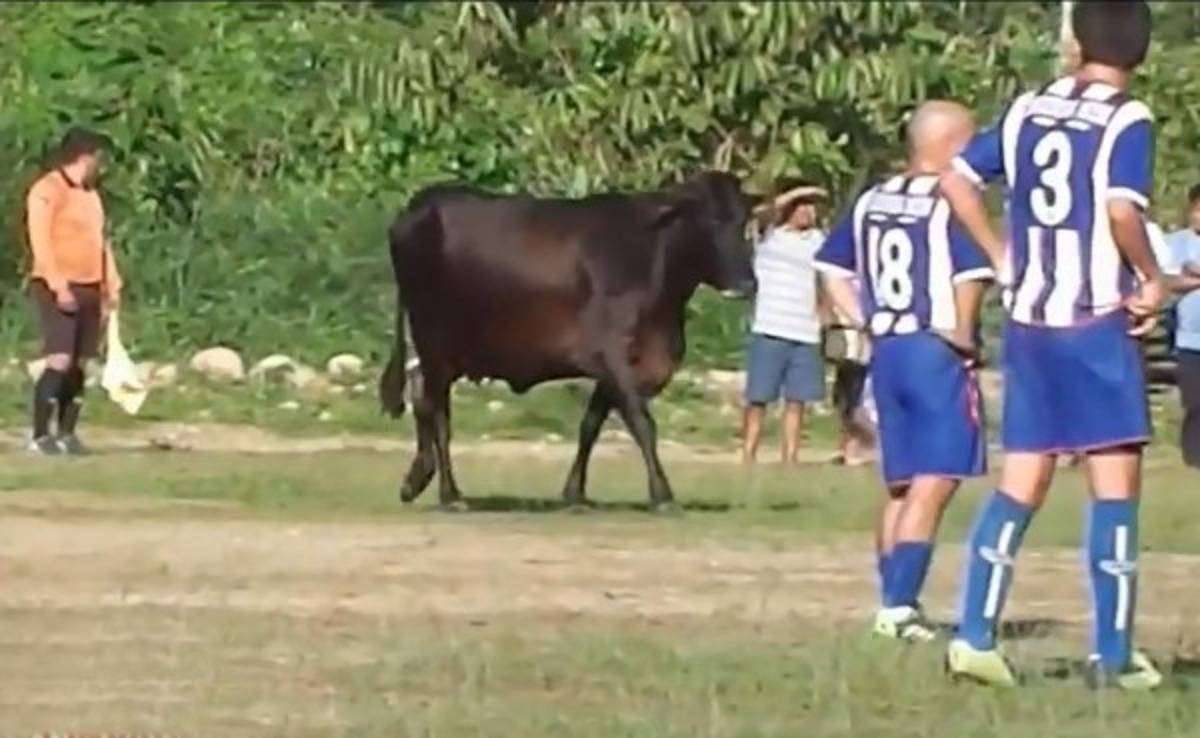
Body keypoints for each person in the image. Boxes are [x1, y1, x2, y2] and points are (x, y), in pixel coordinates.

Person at [939, 0, 1164, 689]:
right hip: (1093, 320)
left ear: (1077, 42)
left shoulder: (1031, 108)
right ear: (1142, 49)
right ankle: (1114, 655)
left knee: (1023, 478)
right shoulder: (1128, 119)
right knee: (1114, 482)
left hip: (1032, 320)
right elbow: (1122, 209)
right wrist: (1151, 278)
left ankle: (974, 636)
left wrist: (1001, 255)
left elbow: (955, 176)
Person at [815, 100, 992, 642]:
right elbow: (972, 274)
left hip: (886, 350)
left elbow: (830, 266)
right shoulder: (953, 201)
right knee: (936, 479)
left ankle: (895, 602)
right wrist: (963, 333)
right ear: (954, 144)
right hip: (933, 348)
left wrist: (863, 317)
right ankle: (898, 606)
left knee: (901, 485)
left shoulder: (872, 198)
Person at [24, 127, 121, 455]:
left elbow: (100, 241)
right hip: (59, 283)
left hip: (90, 283)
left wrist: (111, 281)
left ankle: (67, 432)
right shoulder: (48, 189)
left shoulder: (90, 196)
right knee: (60, 359)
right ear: (86, 156)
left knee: (82, 362)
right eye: (99, 159)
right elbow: (40, 239)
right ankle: (39, 434)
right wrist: (57, 284)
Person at [741, 181, 828, 464]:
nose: (808, 211)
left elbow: (827, 281)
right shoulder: (769, 236)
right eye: (802, 205)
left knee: (797, 400)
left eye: (811, 206)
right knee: (758, 398)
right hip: (769, 325)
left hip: (805, 329)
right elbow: (756, 215)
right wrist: (794, 195)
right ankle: (748, 453)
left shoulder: (819, 240)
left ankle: (790, 457)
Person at [1164, 184, 1200, 468]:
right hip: (1189, 340)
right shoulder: (1176, 242)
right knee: (1196, 403)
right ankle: (1194, 459)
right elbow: (1166, 280)